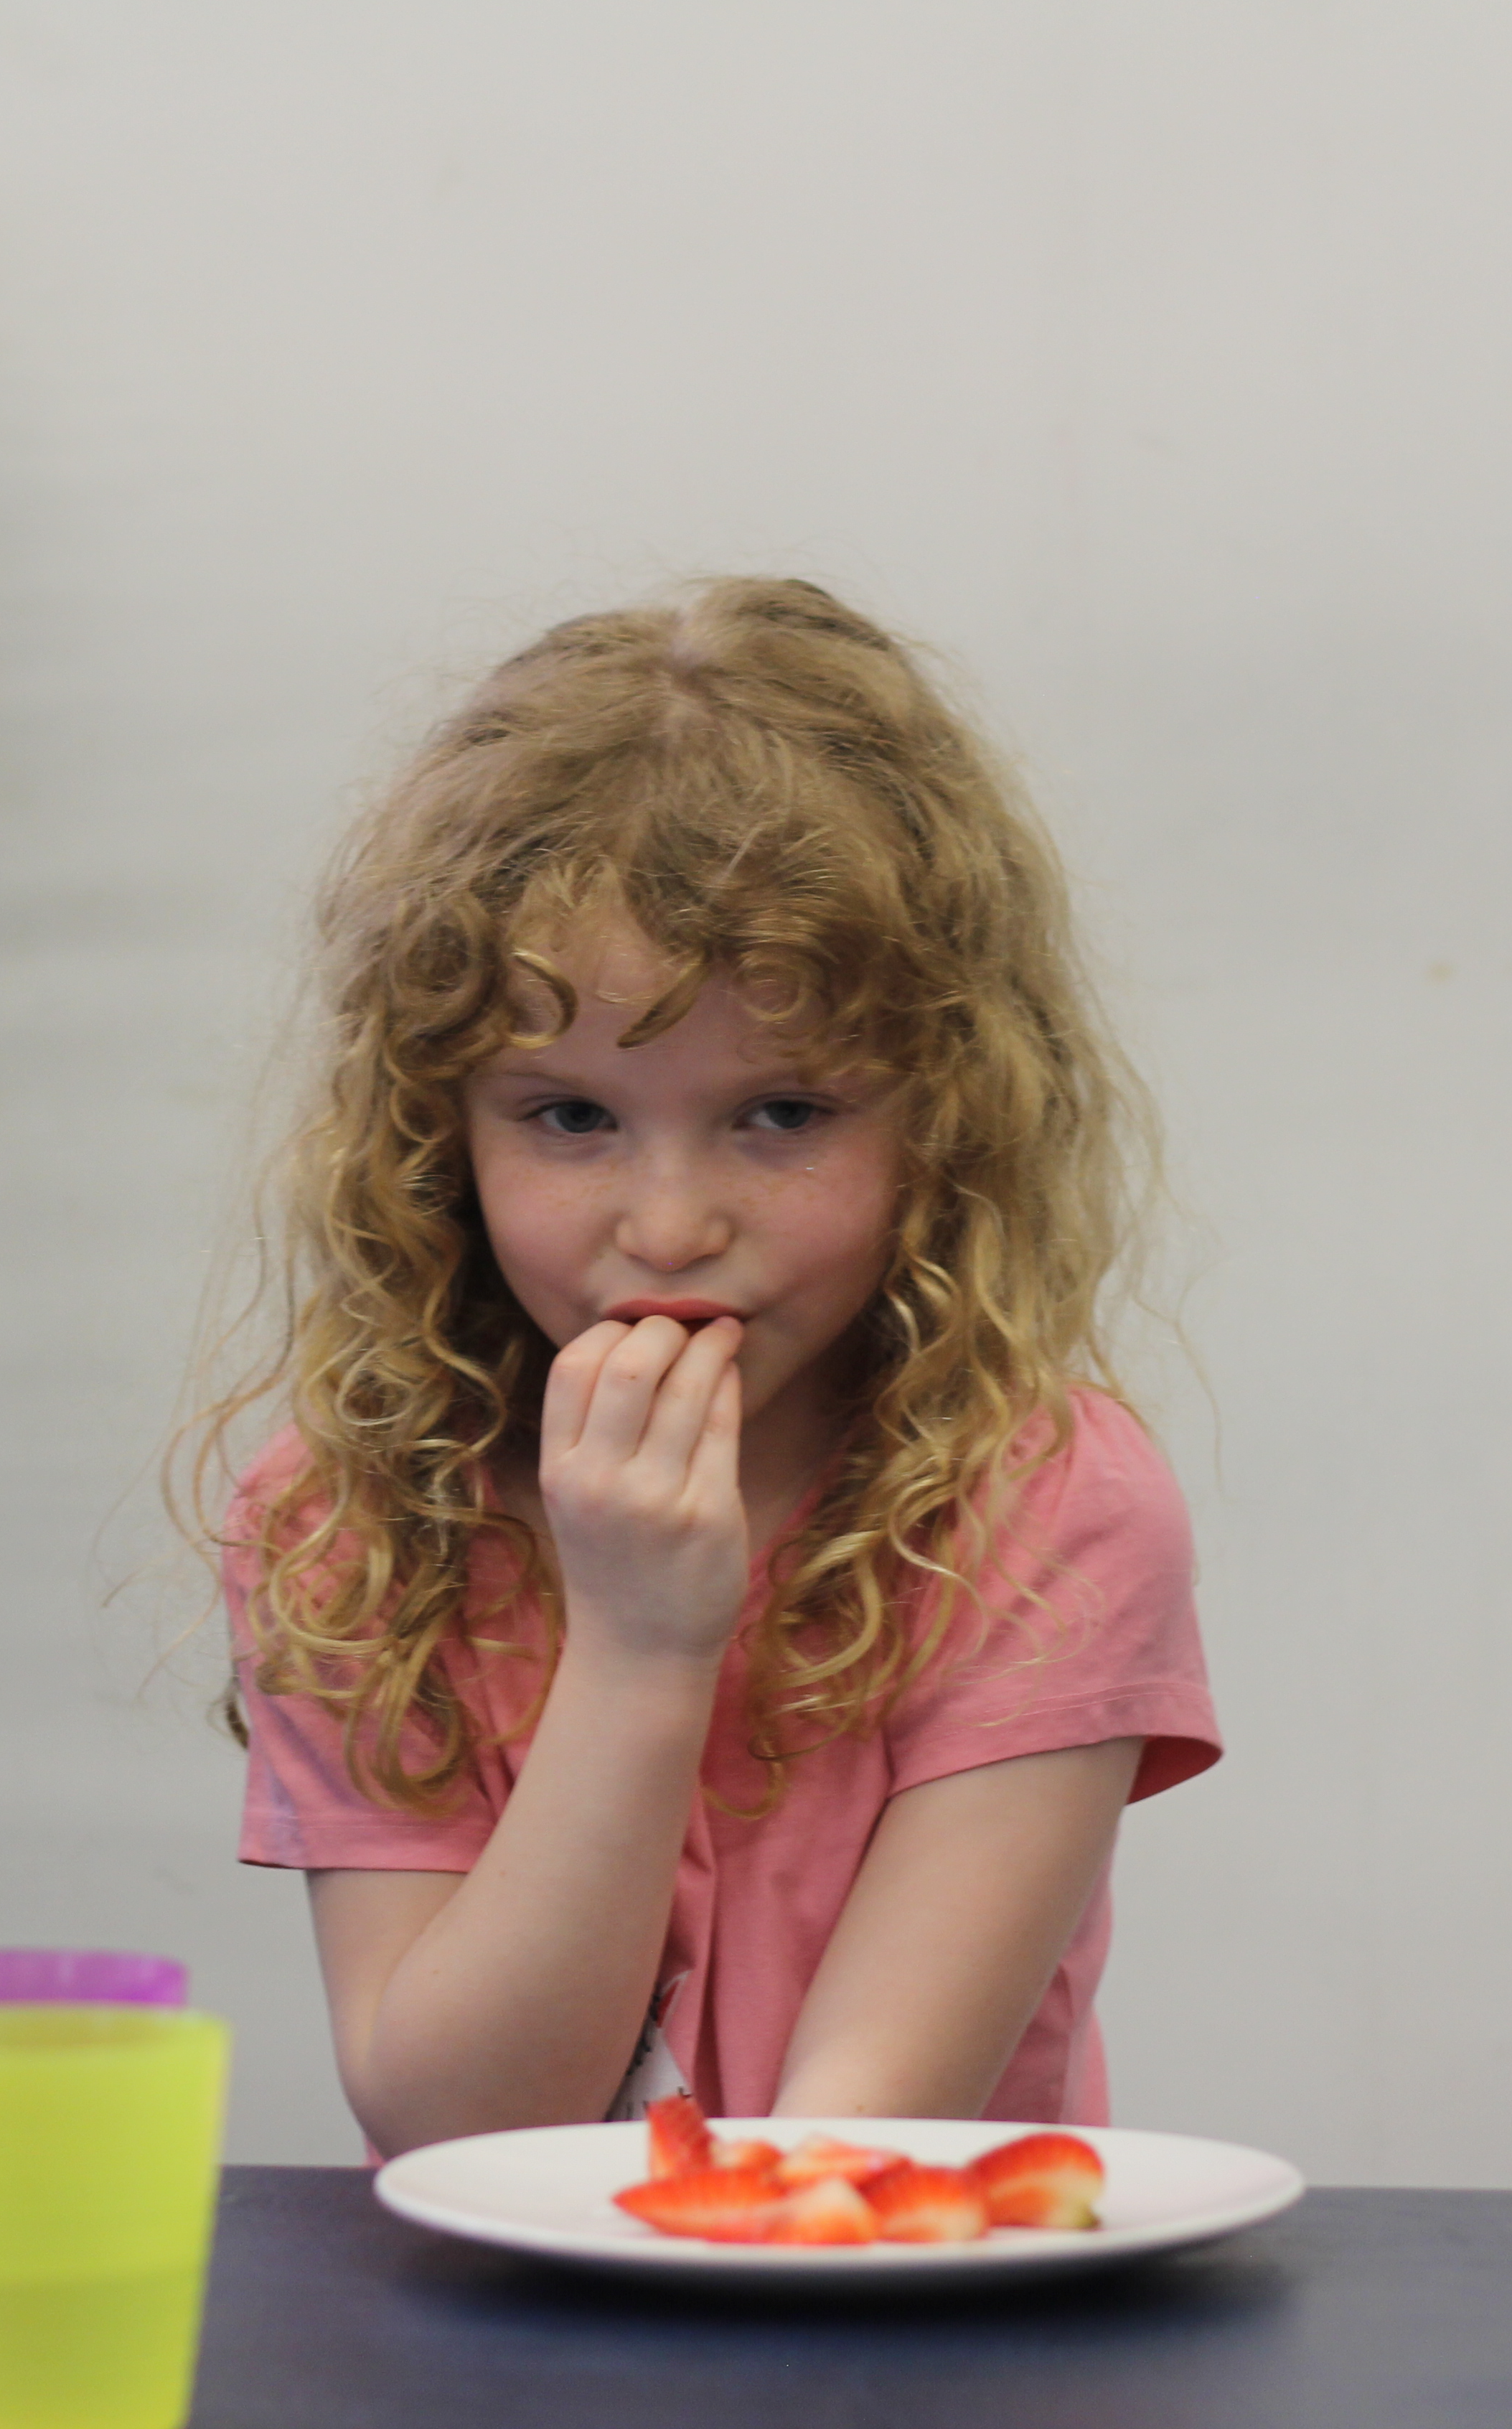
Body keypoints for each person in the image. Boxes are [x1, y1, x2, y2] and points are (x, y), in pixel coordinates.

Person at [212, 579, 1216, 2156]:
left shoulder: (1048, 1511)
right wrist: (638, 1648)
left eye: (783, 1115)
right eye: (571, 1119)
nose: (669, 1228)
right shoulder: (347, 1521)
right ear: (436, 1133)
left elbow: (849, 2156)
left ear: (944, 1119)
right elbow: (456, 2122)